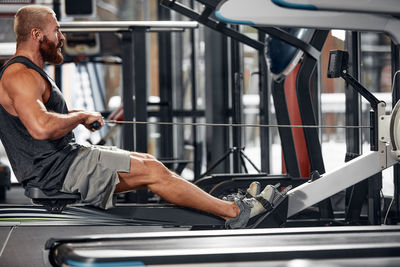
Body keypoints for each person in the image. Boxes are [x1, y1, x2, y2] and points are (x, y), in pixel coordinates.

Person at [0, 5, 283, 229]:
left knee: (151, 164)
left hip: (65, 161)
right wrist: (80, 115)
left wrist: (78, 116)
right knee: (153, 172)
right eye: (56, 30)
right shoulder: (20, 76)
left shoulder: (26, 73)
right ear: (37, 34)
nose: (61, 37)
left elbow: (40, 118)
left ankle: (225, 207)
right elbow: (39, 127)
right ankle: (235, 212)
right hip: (59, 172)